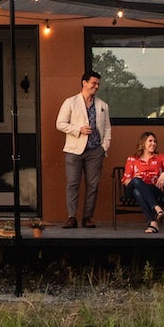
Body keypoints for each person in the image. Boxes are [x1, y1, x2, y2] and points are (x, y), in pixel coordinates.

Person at [56, 70, 110, 228]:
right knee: (73, 184)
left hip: (95, 151)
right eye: (93, 83)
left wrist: (103, 147)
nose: (96, 86)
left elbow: (107, 128)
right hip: (74, 150)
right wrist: (78, 129)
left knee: (93, 186)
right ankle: (71, 217)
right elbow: (60, 123)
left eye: (98, 84)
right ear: (84, 83)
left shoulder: (102, 105)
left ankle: (87, 218)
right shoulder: (70, 102)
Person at [123, 132, 164, 233]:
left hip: (153, 189)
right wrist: (135, 180)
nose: (153, 143)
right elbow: (126, 181)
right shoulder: (132, 159)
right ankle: (157, 208)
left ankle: (153, 223)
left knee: (137, 192)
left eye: (155, 141)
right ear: (143, 143)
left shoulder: (160, 157)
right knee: (136, 181)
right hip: (131, 189)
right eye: (150, 141)